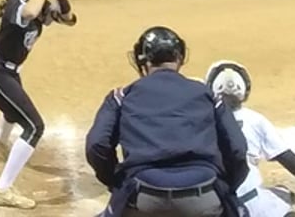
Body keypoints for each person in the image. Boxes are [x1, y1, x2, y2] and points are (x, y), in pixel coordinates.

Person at [84, 26, 248, 215]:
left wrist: (115, 182)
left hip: (143, 197)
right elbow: (238, 150)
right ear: (180, 58)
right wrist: (227, 186)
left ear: (142, 61)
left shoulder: (121, 97)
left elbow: (96, 145)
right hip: (204, 197)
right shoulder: (208, 95)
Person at [0, 0, 77, 210]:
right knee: (34, 126)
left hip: (7, 72)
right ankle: (2, 189)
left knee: (13, 109)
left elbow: (68, 19)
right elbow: (29, 12)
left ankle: (0, 143)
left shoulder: (39, 2)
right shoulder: (18, 1)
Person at [203, 61, 295, 217]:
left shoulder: (201, 119)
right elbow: (285, 156)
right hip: (249, 201)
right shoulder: (255, 120)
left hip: (211, 203)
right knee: (286, 196)